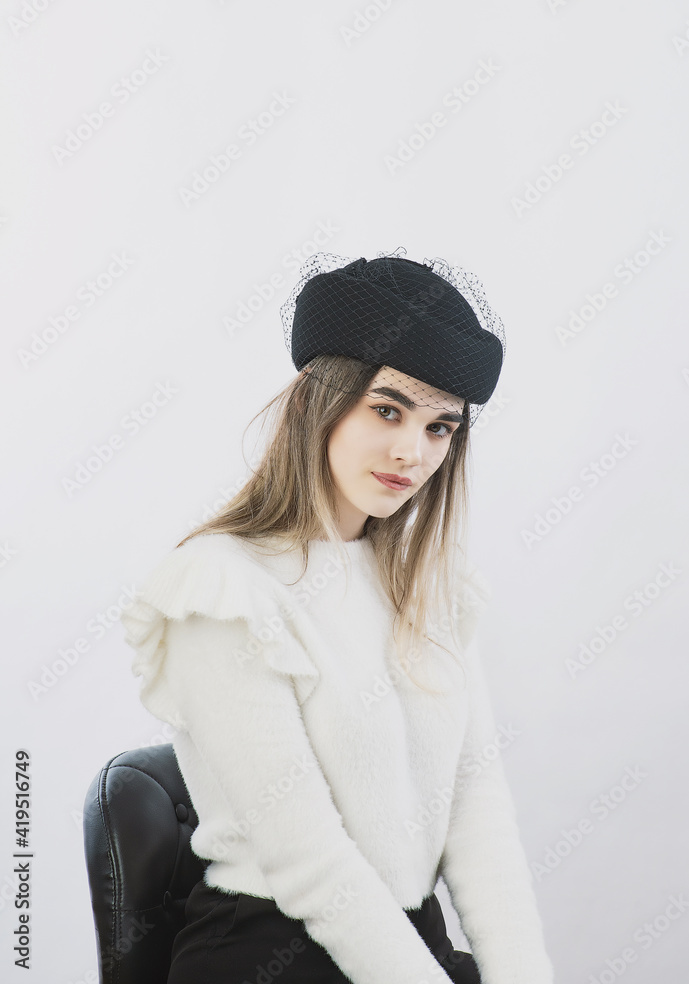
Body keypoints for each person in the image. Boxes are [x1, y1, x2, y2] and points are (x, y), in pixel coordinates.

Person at [121, 248, 555, 984]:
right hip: (270, 952)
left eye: (439, 429)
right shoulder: (217, 587)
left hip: (412, 945)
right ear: (319, 401)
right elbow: (311, 861)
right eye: (387, 410)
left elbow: (475, 809)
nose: (410, 453)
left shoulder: (427, 585)